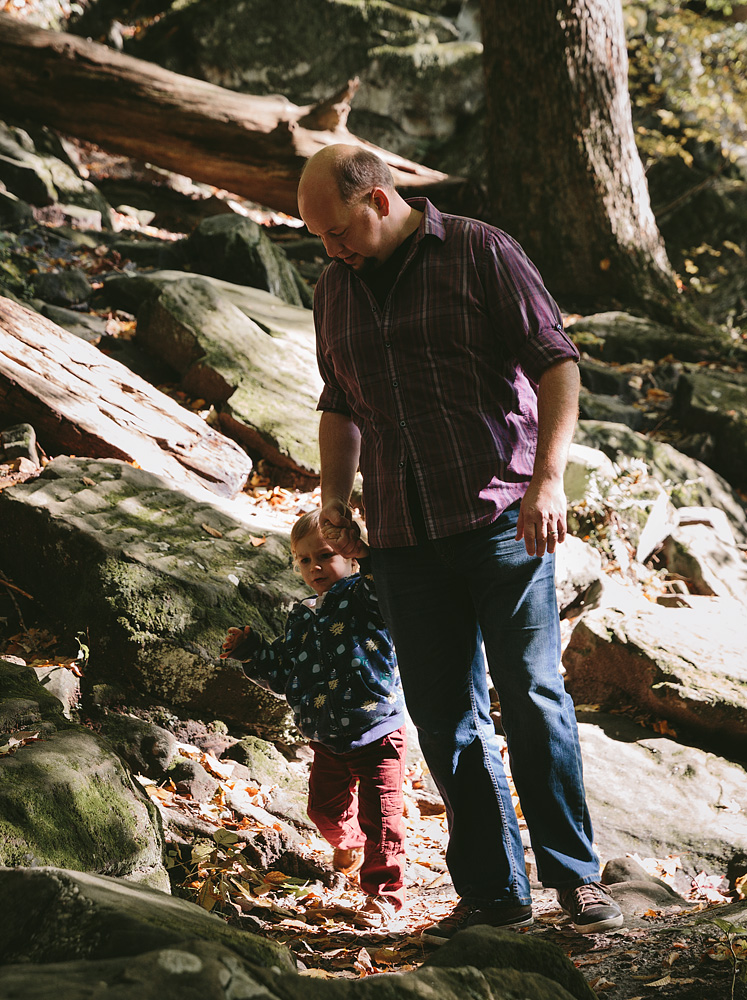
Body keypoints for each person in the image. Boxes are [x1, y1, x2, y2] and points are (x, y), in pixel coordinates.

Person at [296, 143, 623, 943]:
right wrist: (335, 499)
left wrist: (549, 483)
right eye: (320, 240)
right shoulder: (334, 287)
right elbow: (339, 404)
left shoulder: (481, 251)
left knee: (536, 697)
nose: (331, 250)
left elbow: (556, 365)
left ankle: (576, 880)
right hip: (402, 539)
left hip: (499, 521)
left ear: (378, 200)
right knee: (447, 721)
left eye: (338, 231)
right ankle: (494, 896)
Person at [220, 509, 409, 918]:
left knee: (384, 820)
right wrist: (252, 651)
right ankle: (348, 842)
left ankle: (383, 895)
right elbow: (287, 672)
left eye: (325, 555)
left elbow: (387, 584)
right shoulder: (301, 614)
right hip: (326, 738)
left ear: (351, 553)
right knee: (322, 810)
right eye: (304, 559)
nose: (315, 566)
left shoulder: (365, 595)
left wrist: (371, 553)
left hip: (378, 731)